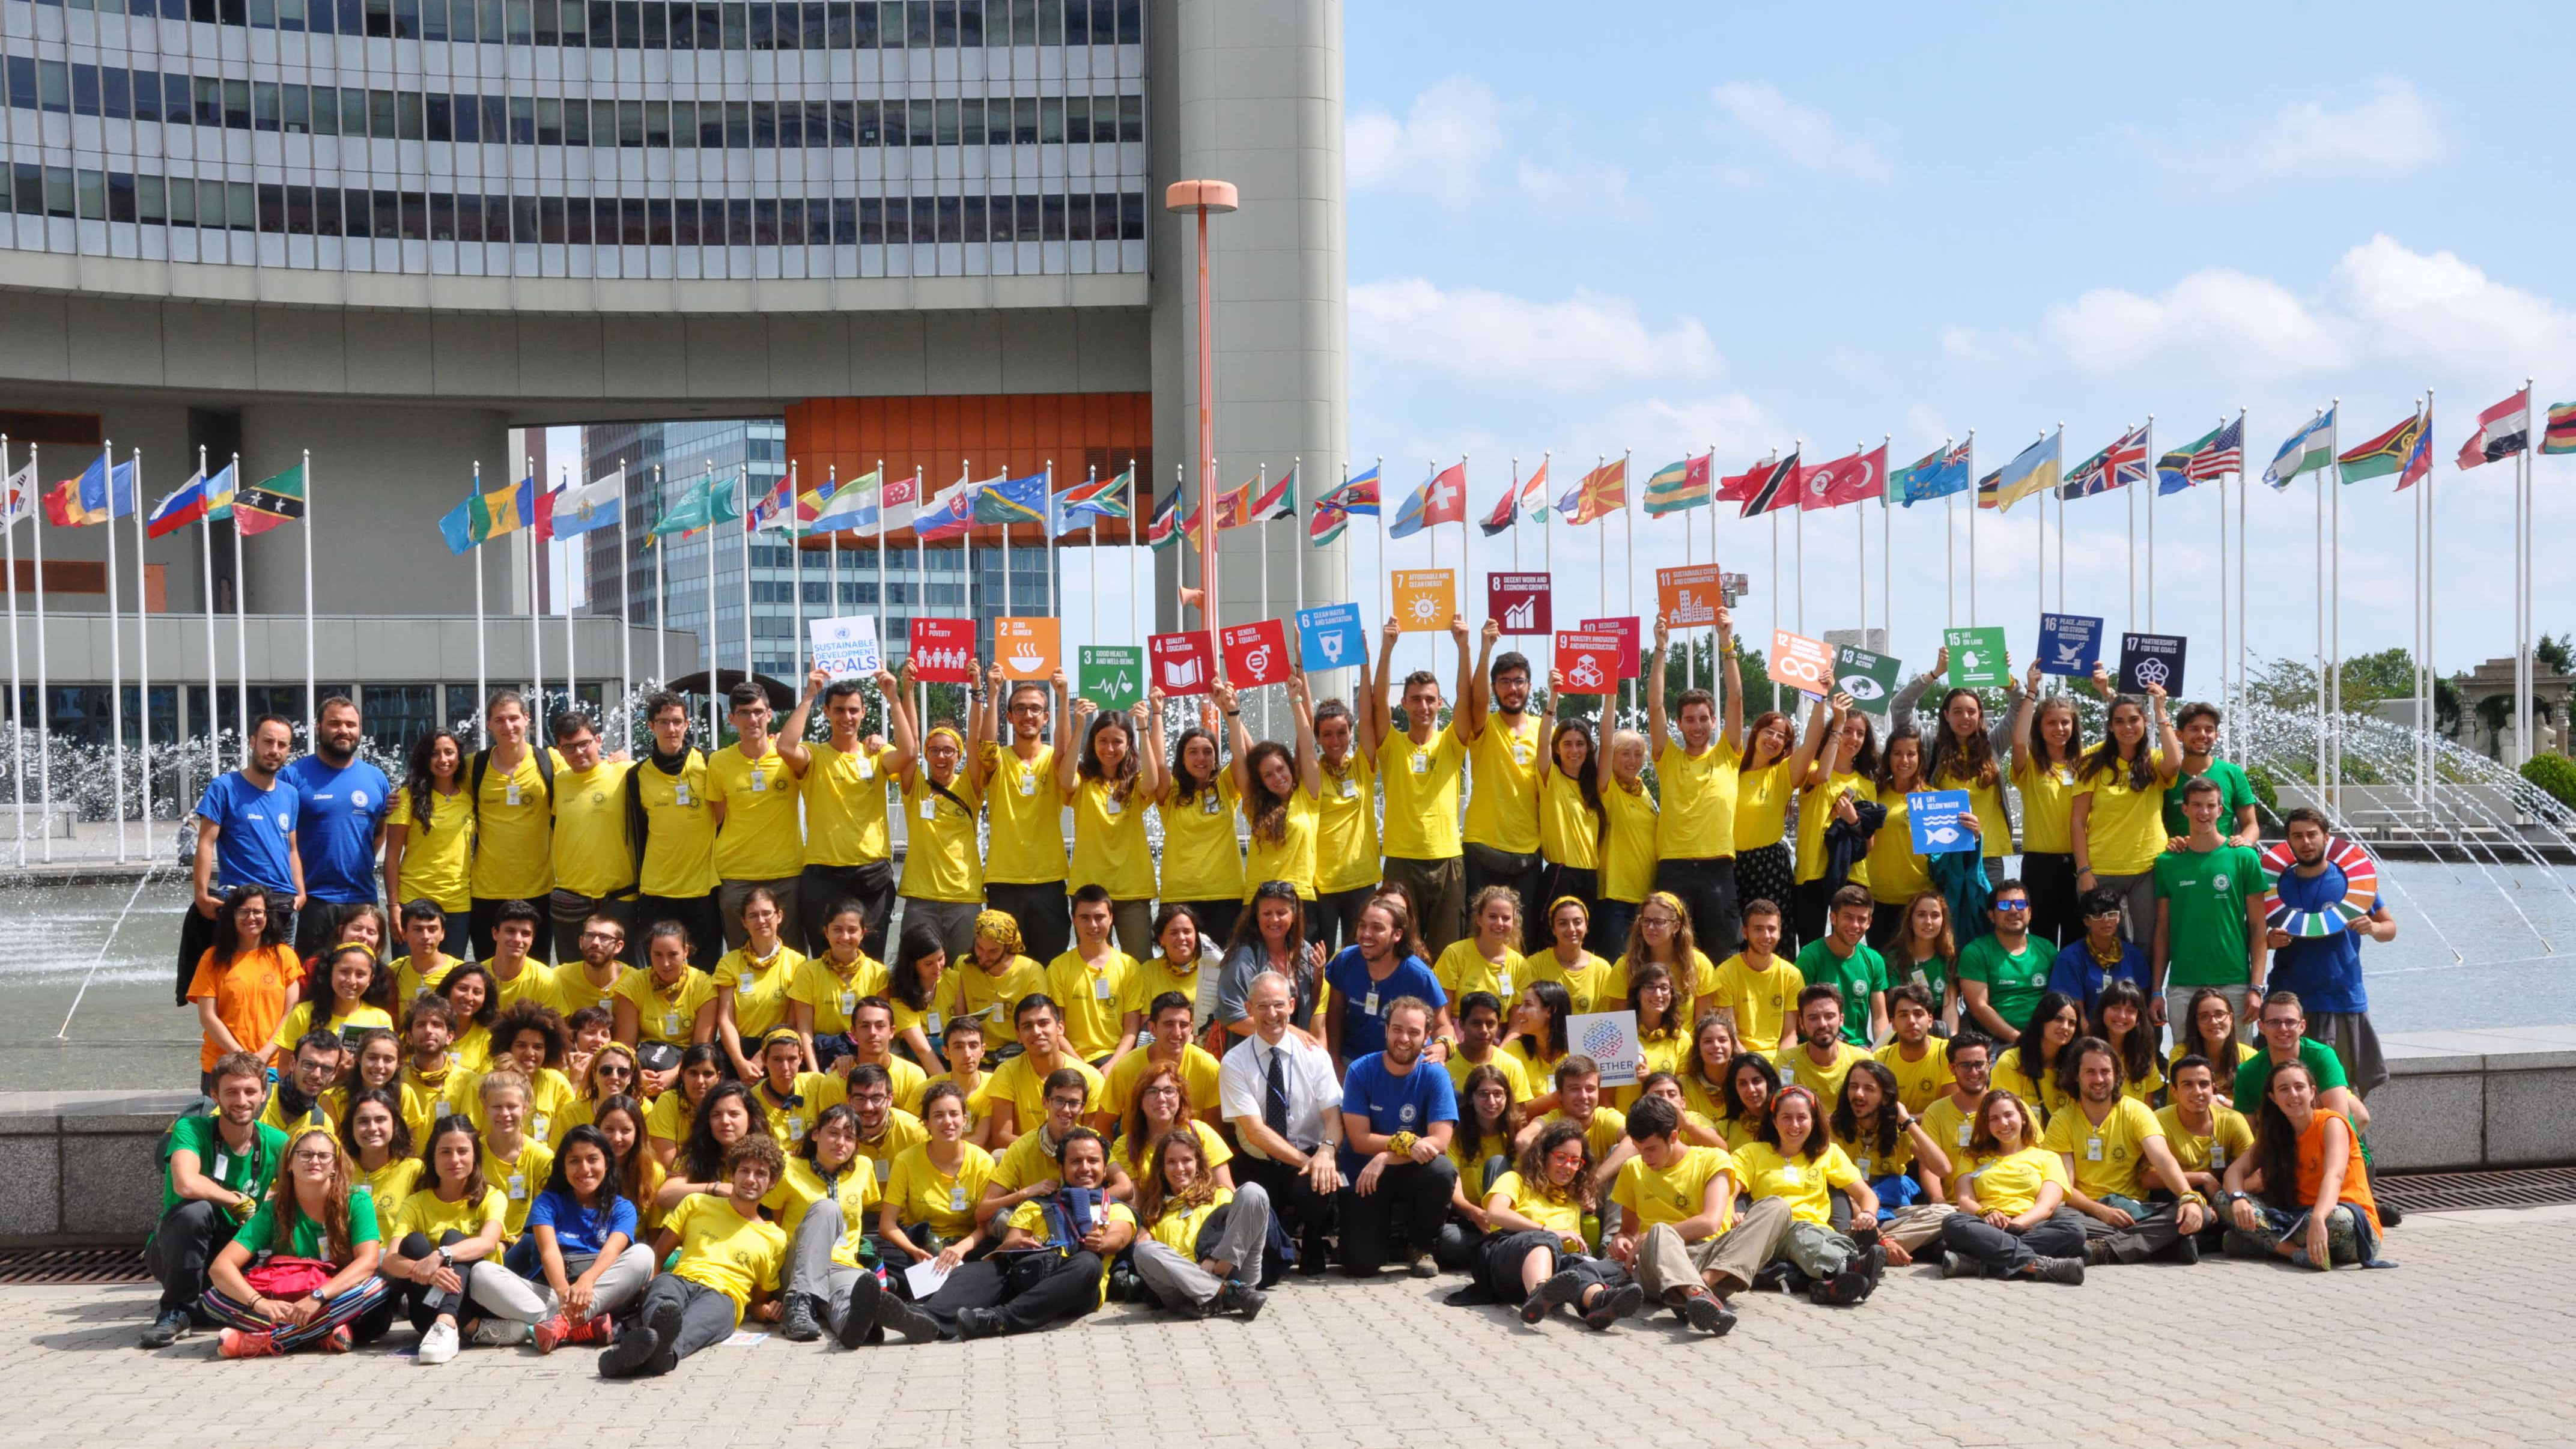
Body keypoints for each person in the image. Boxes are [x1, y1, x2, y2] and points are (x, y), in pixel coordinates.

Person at [598, 1134, 790, 1378]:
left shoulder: (774, 1237)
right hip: (681, 1280)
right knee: (664, 1297)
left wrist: (768, 1313)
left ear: (772, 1182)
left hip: (724, 1297)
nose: (751, 1179)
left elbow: (757, 1302)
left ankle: (639, 1356)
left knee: (701, 1319)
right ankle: (660, 1356)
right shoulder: (696, 1204)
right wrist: (649, 1286)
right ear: (732, 1174)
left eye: (760, 1174)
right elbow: (659, 1254)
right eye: (745, 1171)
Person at [196, 1128, 393, 1358]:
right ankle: (320, 1335)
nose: (315, 1161)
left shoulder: (357, 1201)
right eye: (305, 1155)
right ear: (289, 1163)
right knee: (213, 1299)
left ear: (336, 1165)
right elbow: (221, 1267)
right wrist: (260, 1303)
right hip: (285, 1301)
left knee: (376, 1289)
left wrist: (317, 1298)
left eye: (324, 1156)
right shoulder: (274, 1209)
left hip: (332, 1297)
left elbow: (368, 1262)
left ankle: (270, 1341)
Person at [140, 1052, 291, 1347]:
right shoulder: (191, 1129)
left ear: (263, 1094)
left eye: (250, 1092)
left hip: (233, 1250)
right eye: (231, 1092)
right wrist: (239, 1201)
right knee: (195, 1211)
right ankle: (176, 1310)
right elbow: (186, 1183)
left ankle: (210, 1307)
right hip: (177, 1247)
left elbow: (296, 1195)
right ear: (214, 1095)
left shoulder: (276, 1141)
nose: (241, 1100)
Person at [931, 1128, 1137, 1340]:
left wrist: (1102, 1242)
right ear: (1061, 1168)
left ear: (1105, 1170)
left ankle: (999, 1321)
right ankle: (930, 1318)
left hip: (1078, 1290)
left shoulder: (1114, 1208)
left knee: (1088, 1263)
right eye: (1075, 1161)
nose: (1085, 1168)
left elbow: (1119, 1237)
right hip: (1034, 1275)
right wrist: (1015, 1244)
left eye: (1093, 1161)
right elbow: (1010, 1242)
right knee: (978, 1269)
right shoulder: (1036, 1205)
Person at [1607, 1094, 1785, 1334]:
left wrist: (1647, 1235)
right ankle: (1696, 1295)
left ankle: (1697, 1291)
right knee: (1661, 1231)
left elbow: (1711, 1223)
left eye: (1652, 1149)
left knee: (1777, 1207)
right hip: (1658, 1267)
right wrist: (1622, 1239)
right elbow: (1627, 1230)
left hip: (1712, 1260)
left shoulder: (1713, 1159)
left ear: (1673, 1136)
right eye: (1640, 1150)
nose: (1646, 1158)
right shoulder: (1632, 1168)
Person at [1220, 971, 1346, 1275]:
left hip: (1309, 1154)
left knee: (1317, 1182)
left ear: (1291, 1005)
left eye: (1278, 1005)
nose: (1272, 1014)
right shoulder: (1234, 1062)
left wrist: (1326, 1153)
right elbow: (1255, 1131)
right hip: (1260, 1161)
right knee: (1266, 1265)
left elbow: (1333, 1116)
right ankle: (1279, 1245)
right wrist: (1308, 1162)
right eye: (1262, 1006)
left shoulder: (1314, 1054)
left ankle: (1314, 1242)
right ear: (1249, 1010)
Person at [2041, 1037, 2210, 1265]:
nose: (2099, 1079)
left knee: (2202, 1212)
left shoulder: (2136, 1111)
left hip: (2133, 1210)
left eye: (2105, 1071)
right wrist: (2100, 1211)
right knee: (2064, 1223)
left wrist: (2188, 1197)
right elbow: (2065, 1189)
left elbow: (2163, 1159)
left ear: (2116, 1075)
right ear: (2076, 1075)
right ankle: (2159, 1246)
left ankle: (2105, 1250)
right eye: (2091, 1072)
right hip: (2087, 1212)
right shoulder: (2062, 1120)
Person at [2265, 807, 2396, 1098]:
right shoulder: (2275, 884)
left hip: (2342, 998)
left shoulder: (2354, 883)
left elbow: (2390, 928)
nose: (2306, 842)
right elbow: (2250, 936)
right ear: (2288, 842)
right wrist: (2268, 941)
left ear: (2326, 837)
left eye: (2312, 835)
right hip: (2288, 1002)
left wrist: (2373, 929)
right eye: (2297, 836)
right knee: (2284, 1092)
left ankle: (2349, 1144)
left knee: (2341, 1091)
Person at [177, 713, 303, 1010]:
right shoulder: (225, 787)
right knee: (236, 978)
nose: (274, 750)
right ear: (253, 743)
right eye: (268, 742)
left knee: (279, 981)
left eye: (282, 745)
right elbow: (206, 842)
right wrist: (201, 893)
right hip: (241, 901)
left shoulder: (290, 794)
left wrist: (301, 891)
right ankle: (233, 1045)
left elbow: (293, 848)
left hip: (283, 904)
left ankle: (272, 1046)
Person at [1466, 1120, 1640, 1329]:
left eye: (1575, 1161)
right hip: (1504, 1259)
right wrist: (1547, 1230)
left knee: (1577, 1264)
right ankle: (1539, 1292)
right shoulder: (1515, 1179)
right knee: (1544, 1240)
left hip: (1556, 1268)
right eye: (1561, 1158)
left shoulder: (1573, 1193)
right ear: (1543, 1155)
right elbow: (1495, 1213)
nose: (1568, 1167)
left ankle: (1599, 1302)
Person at [1368, 616, 1474, 953]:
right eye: (1415, 699)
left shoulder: (1452, 743)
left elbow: (1466, 697)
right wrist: (1386, 650)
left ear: (1440, 703)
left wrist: (1463, 648)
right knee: (1400, 950)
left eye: (1430, 699)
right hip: (1400, 858)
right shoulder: (1392, 744)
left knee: (1447, 951)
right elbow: (1376, 701)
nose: (1423, 706)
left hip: (1447, 859)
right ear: (1404, 704)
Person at [782, 667, 903, 960]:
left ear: (863, 713)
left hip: (872, 874)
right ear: (827, 712)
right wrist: (810, 694)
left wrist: (894, 699)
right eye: (839, 710)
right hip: (824, 875)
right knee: (825, 960)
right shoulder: (815, 755)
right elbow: (785, 746)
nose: (846, 717)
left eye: (853, 710)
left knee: (871, 962)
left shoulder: (877, 754)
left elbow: (910, 754)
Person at [1335, 996, 1459, 1277]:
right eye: (1397, 1029)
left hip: (1408, 1170)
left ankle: (1421, 1246)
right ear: (1386, 1030)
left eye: (1414, 1032)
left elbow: (1440, 1142)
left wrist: (1386, 1155)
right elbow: (1358, 1139)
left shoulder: (1435, 1075)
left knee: (1442, 1170)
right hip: (1365, 1175)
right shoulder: (1360, 1071)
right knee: (1360, 1265)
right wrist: (1407, 1142)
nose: (1404, 1039)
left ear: (1428, 1036)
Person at [1647, 610, 1747, 956]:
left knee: (1722, 954)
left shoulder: (1728, 753)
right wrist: (1661, 649)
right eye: (1689, 720)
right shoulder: (1667, 757)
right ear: (1679, 723)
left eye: (1704, 718)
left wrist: (1726, 645)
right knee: (1669, 956)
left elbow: (1736, 698)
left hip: (1718, 869)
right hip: (1673, 869)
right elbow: (1654, 704)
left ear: (1714, 720)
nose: (1697, 726)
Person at [508, 1125, 659, 1353]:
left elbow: (612, 1251)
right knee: (482, 1274)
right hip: (552, 1291)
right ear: (563, 1167)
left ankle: (560, 1325)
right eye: (575, 1161)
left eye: (593, 1159)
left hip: (598, 1287)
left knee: (644, 1255)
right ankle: (580, 1325)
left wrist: (587, 1280)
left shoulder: (623, 1208)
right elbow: (549, 1251)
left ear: (607, 1164)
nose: (585, 1169)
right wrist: (562, 1294)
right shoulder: (547, 1202)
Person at [2222, 1059, 2388, 1268]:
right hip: (2298, 1218)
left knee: (2338, 1219)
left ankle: (2262, 1243)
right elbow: (2235, 1171)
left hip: (2347, 1226)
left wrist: (2319, 1218)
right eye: (2284, 1089)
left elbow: (2334, 1176)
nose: (2293, 1095)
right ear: (2273, 1098)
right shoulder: (2275, 1133)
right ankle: (2295, 1253)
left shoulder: (2331, 1123)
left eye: (2299, 1087)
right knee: (2225, 1198)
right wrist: (2238, 1199)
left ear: (2312, 1092)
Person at [1733, 1084, 1881, 1305]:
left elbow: (1866, 1195)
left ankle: (1832, 1286)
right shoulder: (1751, 1153)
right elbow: (1726, 1193)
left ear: (1813, 1121)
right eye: (1786, 1117)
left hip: (1820, 1231)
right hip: (1775, 1230)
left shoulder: (1828, 1153)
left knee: (1834, 1240)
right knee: (1801, 1234)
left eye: (1802, 1117)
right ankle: (1847, 1269)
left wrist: (1868, 1214)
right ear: (1774, 1121)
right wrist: (1733, 1213)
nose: (1794, 1125)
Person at [384, 1116, 508, 1364]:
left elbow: (487, 1243)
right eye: (445, 1152)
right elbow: (390, 1261)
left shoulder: (491, 1197)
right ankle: (462, 1326)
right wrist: (429, 1273)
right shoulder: (415, 1203)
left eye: (463, 1151)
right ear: (432, 1158)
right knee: (414, 1242)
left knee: (453, 1240)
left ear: (475, 1157)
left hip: (477, 1301)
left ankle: (452, 1322)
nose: (454, 1160)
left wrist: (440, 1256)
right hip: (426, 1310)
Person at [2070, 670, 2180, 944]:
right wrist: (2083, 871)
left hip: (2147, 868)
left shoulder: (2154, 762)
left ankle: (2146, 989)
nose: (2127, 727)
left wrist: (2161, 711)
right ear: (2110, 727)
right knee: (2104, 943)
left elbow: (2176, 763)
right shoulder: (2091, 763)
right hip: (2102, 869)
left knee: (2147, 942)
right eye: (2119, 722)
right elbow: (2077, 822)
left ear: (2145, 722)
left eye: (2134, 720)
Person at [279, 697, 390, 961]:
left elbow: (379, 832)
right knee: (311, 984)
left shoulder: (376, 778)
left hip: (362, 900)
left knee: (359, 982)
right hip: (311, 903)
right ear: (318, 727)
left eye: (351, 724)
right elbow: (280, 839)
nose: (344, 730)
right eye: (335, 723)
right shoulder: (293, 776)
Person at [1457, 621, 1548, 946]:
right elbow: (1475, 701)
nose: (1513, 688)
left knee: (1523, 940)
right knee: (1480, 936)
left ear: (1530, 685)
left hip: (1528, 854)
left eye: (1519, 681)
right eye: (1505, 682)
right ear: (1495, 687)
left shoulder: (1544, 729)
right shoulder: (1485, 726)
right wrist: (1484, 649)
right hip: (1484, 849)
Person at [1935, 1090, 2086, 1284]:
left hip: (2030, 1226)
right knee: (1953, 1222)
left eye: (2008, 1115)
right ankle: (2041, 1267)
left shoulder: (2048, 1158)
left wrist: (2014, 1226)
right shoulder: (1971, 1157)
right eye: (1994, 1119)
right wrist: (1987, 1213)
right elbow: (1965, 1200)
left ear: (2023, 1118)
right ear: (1987, 1125)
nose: (2003, 1124)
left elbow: (2046, 1206)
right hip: (1985, 1224)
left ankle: (1979, 1263)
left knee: (2074, 1231)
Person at [1891, 649, 2018, 873]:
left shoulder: (1994, 745)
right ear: (1946, 715)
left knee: (1989, 910)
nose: (1965, 718)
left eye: (1971, 711)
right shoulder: (1932, 749)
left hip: (1988, 855)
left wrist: (2006, 679)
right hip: (1947, 854)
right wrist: (1935, 674)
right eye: (1958, 712)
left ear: (1980, 715)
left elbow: (2020, 705)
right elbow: (1900, 707)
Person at [894, 675, 992, 959]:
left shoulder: (969, 787)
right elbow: (909, 741)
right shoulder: (916, 787)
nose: (941, 756)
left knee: (963, 971)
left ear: (958, 755)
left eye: (948, 750)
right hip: (920, 898)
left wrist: (976, 694)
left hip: (964, 896)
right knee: (916, 971)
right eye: (934, 750)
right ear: (926, 754)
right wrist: (908, 690)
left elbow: (976, 741)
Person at [1731, 695, 1840, 947]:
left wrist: (1819, 700)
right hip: (1730, 864)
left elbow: (1812, 743)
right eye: (1770, 732)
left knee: (1773, 938)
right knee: (1735, 940)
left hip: (1768, 866)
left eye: (1782, 738)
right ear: (1756, 732)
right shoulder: (1731, 768)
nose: (1774, 740)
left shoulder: (1782, 772)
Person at [1130, 1130, 1271, 1320]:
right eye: (1171, 1162)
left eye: (1187, 1160)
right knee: (1143, 1251)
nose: (1179, 1168)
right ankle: (1226, 1293)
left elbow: (1237, 1235)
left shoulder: (1221, 1195)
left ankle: (1221, 1291)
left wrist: (1215, 1259)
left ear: (1198, 1164)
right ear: (1161, 1168)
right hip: (1185, 1289)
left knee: (1253, 1192)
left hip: (1233, 1272)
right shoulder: (1153, 1211)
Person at [629, 691, 723, 970]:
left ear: (687, 724)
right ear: (650, 726)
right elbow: (638, 831)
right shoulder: (637, 775)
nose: (671, 729)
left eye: (677, 721)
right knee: (660, 971)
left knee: (705, 970)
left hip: (703, 889)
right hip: (657, 890)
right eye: (663, 722)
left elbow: (721, 817)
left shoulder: (709, 763)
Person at [1062, 688, 1161, 955]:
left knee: (1139, 961)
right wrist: (1080, 725)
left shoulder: (1135, 781)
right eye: (1102, 740)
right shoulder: (1083, 780)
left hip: (1133, 887)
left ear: (1128, 744)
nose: (1109, 748)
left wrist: (1143, 727)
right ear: (1092, 743)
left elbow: (1153, 783)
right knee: (1092, 959)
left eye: (1117, 742)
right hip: (1089, 889)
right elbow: (1064, 781)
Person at [1829, 1060, 1954, 1265]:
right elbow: (1845, 1196)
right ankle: (1881, 1246)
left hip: (1891, 1216)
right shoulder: (1833, 1129)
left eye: (1869, 1089)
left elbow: (1943, 1168)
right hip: (1852, 1213)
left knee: (1946, 1213)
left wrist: (1907, 1121)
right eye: (1854, 1087)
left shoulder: (1898, 1133)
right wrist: (1881, 1237)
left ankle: (1871, 1248)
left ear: (1886, 1097)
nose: (1859, 1095)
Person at [466, 691, 557, 963]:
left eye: (514, 718)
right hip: (486, 892)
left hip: (538, 890)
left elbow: (591, 770)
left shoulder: (550, 762)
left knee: (535, 973)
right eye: (500, 720)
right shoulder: (475, 766)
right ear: (489, 725)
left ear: (527, 719)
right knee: (488, 974)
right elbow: (435, 782)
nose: (508, 727)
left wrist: (620, 760)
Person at [187, 885, 305, 1094]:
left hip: (274, 1065)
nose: (252, 917)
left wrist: (264, 1054)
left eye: (258, 911)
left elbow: (292, 1012)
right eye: (244, 911)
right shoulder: (212, 959)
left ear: (268, 916)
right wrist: (243, 1056)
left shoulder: (284, 956)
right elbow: (208, 1017)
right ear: (232, 916)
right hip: (223, 1064)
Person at [1155, 686, 1249, 947]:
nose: (1201, 758)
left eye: (1208, 752)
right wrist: (1157, 714)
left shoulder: (1227, 786)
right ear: (1182, 758)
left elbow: (1246, 756)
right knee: (1181, 968)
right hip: (1180, 896)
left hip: (1226, 894)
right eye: (1193, 752)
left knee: (1222, 969)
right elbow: (1158, 762)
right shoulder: (1171, 791)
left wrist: (1231, 714)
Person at [543, 711, 637, 960]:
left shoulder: (627, 773)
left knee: (627, 979)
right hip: (571, 898)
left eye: (584, 744)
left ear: (598, 740)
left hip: (620, 896)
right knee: (572, 977)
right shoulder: (558, 782)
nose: (579, 753)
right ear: (560, 751)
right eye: (569, 748)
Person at [2009, 661, 2089, 946]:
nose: (2060, 728)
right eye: (2051, 723)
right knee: (2041, 939)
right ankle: (2043, 992)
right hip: (2040, 864)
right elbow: (2018, 743)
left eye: (2065, 722)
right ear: (2039, 728)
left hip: (2080, 863)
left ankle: (2072, 992)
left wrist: (2107, 692)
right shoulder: (2031, 764)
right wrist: (2031, 692)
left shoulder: (2088, 763)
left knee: (2077, 938)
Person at [878, 1081, 995, 1272]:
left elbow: (985, 1226)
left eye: (954, 1114)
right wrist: (914, 1251)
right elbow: (887, 1225)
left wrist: (959, 1249)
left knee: (994, 1259)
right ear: (926, 1123)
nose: (948, 1122)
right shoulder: (906, 1160)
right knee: (882, 1253)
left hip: (966, 1247)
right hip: (920, 1243)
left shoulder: (982, 1162)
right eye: (938, 1115)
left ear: (965, 1120)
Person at [1235, 673, 1327, 909]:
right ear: (1261, 781)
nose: (1277, 778)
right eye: (1268, 775)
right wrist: (1232, 714)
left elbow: (1307, 746)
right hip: (1258, 901)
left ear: (1290, 766)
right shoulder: (1255, 806)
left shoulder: (1309, 796)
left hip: (1300, 900)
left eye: (1280, 769)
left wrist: (1295, 699)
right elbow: (1241, 756)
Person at [1323, 893, 1448, 1066]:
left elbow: (1443, 1026)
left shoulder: (1418, 975)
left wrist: (1443, 1047)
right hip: (1352, 1060)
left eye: (1377, 928)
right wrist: (1335, 1062)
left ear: (1397, 934)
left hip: (1402, 1063)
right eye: (1362, 926)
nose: (1366, 934)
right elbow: (1335, 1013)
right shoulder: (1345, 961)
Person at [1790, 699, 1874, 949]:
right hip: (1812, 873)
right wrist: (1838, 720)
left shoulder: (1867, 785)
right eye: (1848, 731)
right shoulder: (1812, 769)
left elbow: (1870, 845)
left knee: (1848, 951)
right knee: (1811, 948)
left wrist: (1854, 820)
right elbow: (1824, 776)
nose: (1854, 739)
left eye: (1860, 733)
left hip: (1852, 875)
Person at [2235, 991, 2375, 1140]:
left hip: (2332, 1145)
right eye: (2274, 1022)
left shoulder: (2322, 1056)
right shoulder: (2248, 1072)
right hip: (2280, 1153)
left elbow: (2338, 1120)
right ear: (2261, 1027)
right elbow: (2247, 1134)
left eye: (2290, 1022)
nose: (2283, 1029)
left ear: (2302, 1026)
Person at [384, 728, 473, 952]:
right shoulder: (407, 797)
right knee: (407, 975)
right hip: (413, 901)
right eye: (435, 753)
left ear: (459, 757)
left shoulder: (470, 797)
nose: (443, 760)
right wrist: (394, 906)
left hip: (457, 904)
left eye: (449, 752)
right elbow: (392, 856)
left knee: (451, 979)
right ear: (425, 758)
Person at [2158, 1054, 2255, 1251]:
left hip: (2224, 1193)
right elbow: (2145, 1177)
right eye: (2187, 1085)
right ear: (2174, 1091)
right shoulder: (2157, 1121)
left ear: (2214, 1089)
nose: (2198, 1092)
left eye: (2204, 1084)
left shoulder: (2233, 1120)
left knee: (2253, 1208)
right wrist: (2203, 1178)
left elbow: (2256, 1172)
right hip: (2175, 1194)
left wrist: (2227, 1199)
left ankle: (2201, 1237)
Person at [1312, 689, 1382, 953]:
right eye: (1327, 734)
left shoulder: (1362, 765)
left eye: (1342, 732)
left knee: (1363, 952)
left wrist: (1365, 666)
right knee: (1322, 956)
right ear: (1317, 737)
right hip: (1322, 883)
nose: (1335, 740)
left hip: (1361, 879)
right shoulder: (1312, 770)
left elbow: (1368, 718)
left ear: (1351, 733)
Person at [714, 886, 807, 1079]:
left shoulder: (797, 963)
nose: (761, 921)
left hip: (778, 1047)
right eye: (753, 916)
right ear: (744, 922)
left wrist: (763, 1056)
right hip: (737, 1049)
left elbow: (792, 1022)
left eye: (767, 914)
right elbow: (726, 1019)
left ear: (779, 916)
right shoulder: (729, 963)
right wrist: (740, 1062)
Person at [1214, 889, 1328, 1042]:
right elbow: (1234, 1019)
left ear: (1294, 915)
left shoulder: (1304, 950)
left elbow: (1308, 1009)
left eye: (1281, 913)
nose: (1274, 920)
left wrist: (1317, 977)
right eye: (1267, 914)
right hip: (1251, 1050)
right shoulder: (1242, 956)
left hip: (1292, 1048)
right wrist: (1289, 1032)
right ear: (1257, 917)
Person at [1533, 719, 1606, 953]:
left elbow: (1609, 745)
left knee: (1586, 945)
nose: (1574, 751)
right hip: (1561, 874)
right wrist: (1553, 699)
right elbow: (1542, 743)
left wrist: (1611, 692)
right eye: (1567, 744)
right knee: (1551, 942)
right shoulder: (1550, 778)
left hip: (1591, 876)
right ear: (1557, 748)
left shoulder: (1594, 786)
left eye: (1580, 744)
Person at [1862, 725, 1937, 947]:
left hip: (1920, 901)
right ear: (1888, 757)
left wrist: (1972, 830)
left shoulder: (1935, 799)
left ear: (1920, 758)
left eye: (1911, 754)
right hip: (1879, 899)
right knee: (1884, 972)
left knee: (1919, 971)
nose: (1904, 760)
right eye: (1897, 753)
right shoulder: (1873, 794)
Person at [1046, 885, 1138, 1065]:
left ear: (1111, 918)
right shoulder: (1058, 967)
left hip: (1117, 1059)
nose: (1093, 925)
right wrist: (1081, 1066)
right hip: (1072, 1060)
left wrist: (1113, 1065)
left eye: (1100, 917)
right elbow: (1057, 1030)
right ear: (1074, 920)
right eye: (1085, 918)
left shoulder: (1129, 966)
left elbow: (1131, 1029)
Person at [1105, 990, 1224, 1127]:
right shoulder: (1125, 1068)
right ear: (1152, 1028)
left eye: (1184, 1025)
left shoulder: (1208, 1067)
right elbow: (1103, 1125)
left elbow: (1213, 1129)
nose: (1177, 1033)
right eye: (1169, 1024)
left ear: (1192, 1028)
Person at [1793, 884, 1888, 1048]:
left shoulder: (1874, 960)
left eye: (1862, 919)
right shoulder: (1810, 956)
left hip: (1860, 1048)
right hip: (1819, 1045)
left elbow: (1880, 1017)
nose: (1855, 925)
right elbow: (1798, 1018)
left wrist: (1881, 1051)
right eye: (1848, 917)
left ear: (1870, 922)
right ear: (1833, 918)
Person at [1594, 728, 1662, 955]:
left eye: (1638, 754)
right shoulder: (1607, 787)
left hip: (1646, 899)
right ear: (1612, 756)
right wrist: (1611, 695)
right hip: (1615, 898)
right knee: (1619, 971)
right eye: (1625, 753)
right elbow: (1603, 748)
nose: (1632, 760)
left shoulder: (1645, 792)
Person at [1957, 879, 2052, 1042]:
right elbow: (1979, 1008)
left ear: (2030, 912)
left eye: (2021, 904)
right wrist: (2020, 1040)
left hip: (2047, 1039)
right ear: (1991, 916)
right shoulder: (1976, 952)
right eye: (2004, 906)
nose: (2014, 910)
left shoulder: (2047, 949)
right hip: (1997, 1042)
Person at [266, 944, 390, 1067]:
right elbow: (284, 1069)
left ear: (371, 980)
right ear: (331, 973)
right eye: (344, 972)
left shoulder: (380, 1019)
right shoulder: (303, 1013)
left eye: (360, 975)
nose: (351, 981)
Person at [942, 910, 1045, 1053]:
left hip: (1019, 1050)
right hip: (977, 1051)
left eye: (993, 951)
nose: (984, 956)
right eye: (979, 948)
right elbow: (961, 1019)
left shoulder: (1031, 970)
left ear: (1008, 947)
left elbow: (1037, 1020)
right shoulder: (963, 965)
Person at [2162, 700, 2261, 846]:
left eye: (2209, 730)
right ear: (2179, 735)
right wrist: (2167, 843)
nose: (2202, 735)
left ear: (2216, 736)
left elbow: (2251, 825)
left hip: (2222, 863)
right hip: (2178, 862)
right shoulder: (2166, 775)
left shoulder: (2233, 773)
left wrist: (2245, 842)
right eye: (2194, 729)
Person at [2048, 886, 2152, 1023]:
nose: (2106, 920)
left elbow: (2140, 1009)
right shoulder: (2070, 957)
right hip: (2087, 1038)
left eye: (2112, 914)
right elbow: (2075, 1015)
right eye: (2098, 915)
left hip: (2126, 1032)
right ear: (2086, 921)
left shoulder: (2134, 956)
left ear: (2119, 918)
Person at [1433, 886, 1526, 1040]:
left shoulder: (1520, 965)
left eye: (1506, 918)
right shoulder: (1455, 953)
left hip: (1499, 1041)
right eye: (1492, 916)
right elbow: (1441, 1014)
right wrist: (1454, 1047)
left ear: (1514, 922)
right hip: (1458, 1034)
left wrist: (1499, 1056)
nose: (1499, 923)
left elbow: (1516, 1026)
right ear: (1479, 919)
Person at [1771, 986, 1872, 1110]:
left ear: (1841, 1020)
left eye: (1829, 1016)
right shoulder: (1786, 1062)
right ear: (1801, 1023)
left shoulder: (1861, 1061)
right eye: (1813, 1018)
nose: (1823, 1024)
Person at [1993, 992, 2082, 1126]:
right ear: (2041, 1021)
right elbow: (2006, 1116)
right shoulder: (2011, 1062)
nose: (2065, 1027)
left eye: (2072, 1023)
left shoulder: (2074, 1066)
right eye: (2058, 1019)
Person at [1873, 982, 1954, 1116]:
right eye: (1903, 1015)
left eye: (1918, 1014)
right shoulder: (1880, 1060)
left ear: (1930, 1021)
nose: (1911, 1021)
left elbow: (1948, 1111)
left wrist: (1908, 1121)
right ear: (1893, 1025)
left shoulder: (1947, 1053)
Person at [1883, 891, 1959, 1034]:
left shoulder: (1949, 959)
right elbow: (1892, 1009)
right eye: (1921, 915)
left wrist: (1951, 1043)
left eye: (1935, 915)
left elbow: (1950, 1008)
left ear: (1943, 921)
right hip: (1903, 1030)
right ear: (1910, 921)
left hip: (1938, 1031)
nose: (1928, 922)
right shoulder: (1892, 960)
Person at [1920, 1031, 1996, 1164]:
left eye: (1979, 1064)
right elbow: (1929, 1168)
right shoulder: (1935, 1113)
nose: (1973, 1072)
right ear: (1952, 1069)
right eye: (1965, 1065)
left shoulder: (2010, 1107)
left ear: (1989, 1065)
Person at [1502, 980, 1575, 1114]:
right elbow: (1512, 1112)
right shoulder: (1512, 1051)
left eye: (1528, 1005)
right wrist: (1556, 1098)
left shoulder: (1577, 1051)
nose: (1520, 1011)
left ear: (1551, 1010)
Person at [258, 1031, 345, 1137]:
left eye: (327, 1069)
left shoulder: (322, 1125)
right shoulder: (257, 1100)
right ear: (293, 1064)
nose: (317, 1075)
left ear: (334, 1074)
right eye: (309, 1065)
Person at [478, 897, 555, 1016]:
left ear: (532, 939)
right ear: (495, 934)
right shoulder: (478, 976)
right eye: (510, 931)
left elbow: (556, 1030)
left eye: (525, 933)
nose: (517, 939)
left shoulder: (547, 981)